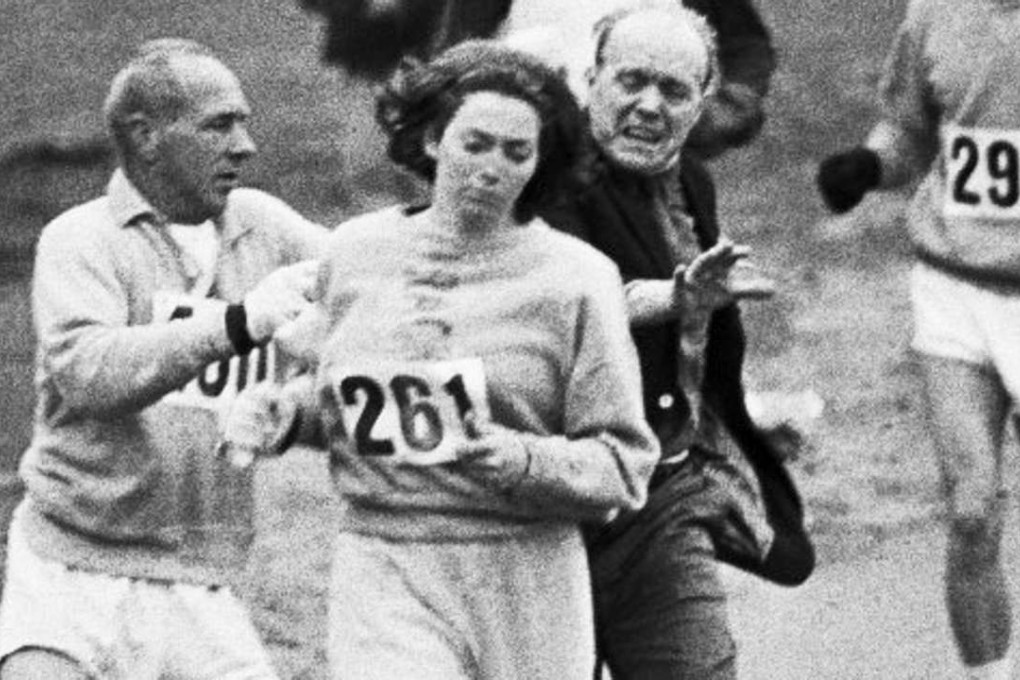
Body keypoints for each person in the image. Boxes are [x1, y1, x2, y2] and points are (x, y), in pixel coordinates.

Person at [222, 39, 659, 680]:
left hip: (524, 567)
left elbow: (623, 466)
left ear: (540, 163)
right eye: (474, 143)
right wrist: (285, 415)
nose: (492, 168)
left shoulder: (578, 278)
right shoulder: (355, 252)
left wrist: (520, 457)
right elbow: (350, 399)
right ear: (432, 140)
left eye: (517, 152)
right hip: (384, 555)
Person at [0, 39, 327, 679]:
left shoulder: (264, 224)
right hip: (73, 571)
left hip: (202, 580)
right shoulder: (81, 238)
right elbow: (91, 373)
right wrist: (239, 323)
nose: (245, 145)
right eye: (218, 125)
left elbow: (366, 289)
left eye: (245, 122)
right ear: (146, 136)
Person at [539, 4, 813, 678]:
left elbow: (696, 341)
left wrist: (741, 412)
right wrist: (674, 298)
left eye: (674, 90)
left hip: (657, 497)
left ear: (701, 106)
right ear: (590, 79)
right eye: (631, 81)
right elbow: (565, 302)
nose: (649, 106)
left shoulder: (691, 182)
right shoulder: (542, 177)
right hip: (539, 506)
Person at [816, 1, 1020, 677]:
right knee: (970, 510)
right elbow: (908, 132)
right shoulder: (938, 11)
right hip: (953, 286)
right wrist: (868, 166)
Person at [498, 0, 776, 159]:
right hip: (533, 140)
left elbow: (744, 43)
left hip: (650, 148)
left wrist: (727, 107)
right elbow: (461, 43)